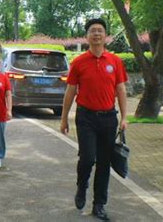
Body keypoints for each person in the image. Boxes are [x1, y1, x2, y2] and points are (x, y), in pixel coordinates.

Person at [60, 18, 128, 221]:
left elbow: (121, 89)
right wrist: (64, 119)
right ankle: (82, 186)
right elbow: (70, 92)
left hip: (109, 118)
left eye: (100, 31)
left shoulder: (115, 61)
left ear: (105, 36)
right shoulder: (79, 62)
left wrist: (125, 117)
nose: (96, 34)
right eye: (92, 31)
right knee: (88, 158)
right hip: (86, 117)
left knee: (104, 163)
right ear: (87, 36)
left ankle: (99, 204)